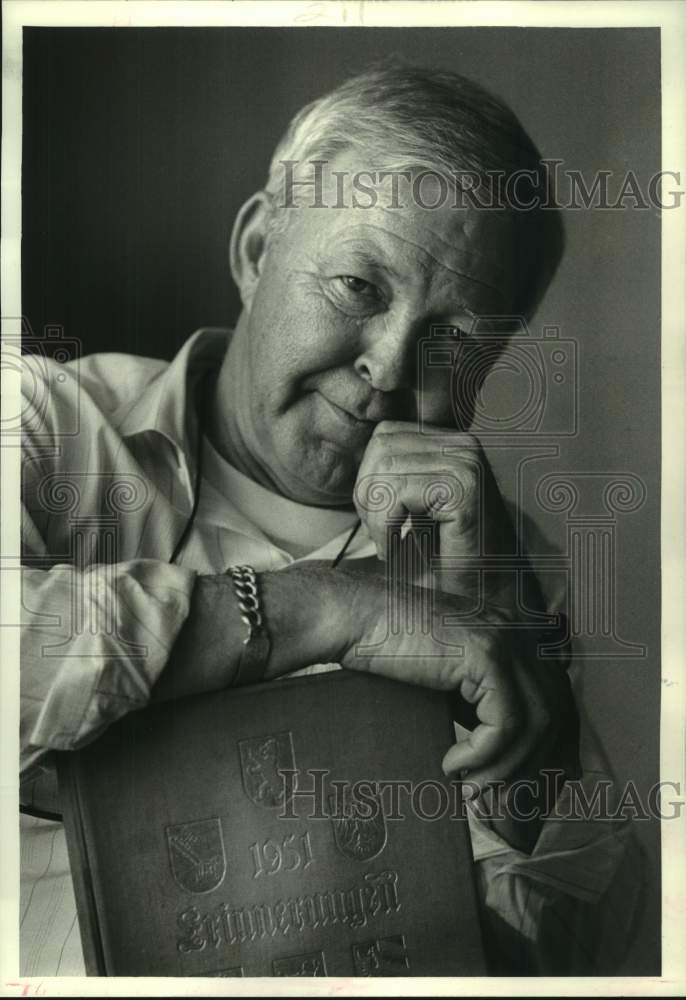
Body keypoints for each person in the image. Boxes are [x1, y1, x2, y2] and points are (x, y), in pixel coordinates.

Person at [19, 63, 637, 976]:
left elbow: (585, 965)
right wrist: (329, 610)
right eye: (358, 285)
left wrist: (525, 772)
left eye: (456, 340)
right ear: (260, 248)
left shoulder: (510, 570)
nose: (389, 366)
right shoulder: (41, 425)